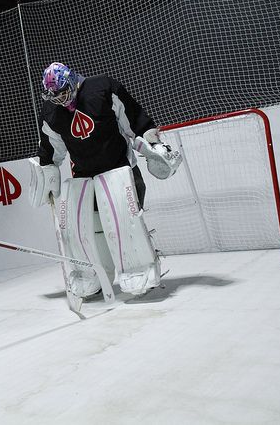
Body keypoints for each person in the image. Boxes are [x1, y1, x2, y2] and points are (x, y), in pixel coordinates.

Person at [30, 62, 181, 300]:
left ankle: (140, 269)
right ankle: (90, 275)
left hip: (119, 169)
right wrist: (46, 168)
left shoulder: (102, 88)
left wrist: (153, 144)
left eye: (62, 93)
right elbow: (51, 147)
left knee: (123, 223)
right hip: (83, 176)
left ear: (71, 81)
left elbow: (133, 119)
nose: (59, 100)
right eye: (53, 96)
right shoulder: (51, 112)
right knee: (79, 230)